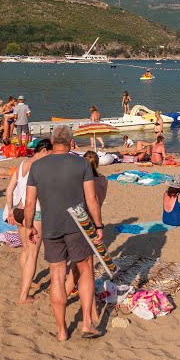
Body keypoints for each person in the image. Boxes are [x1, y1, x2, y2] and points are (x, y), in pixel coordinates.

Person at [23, 126, 104, 340]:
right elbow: (91, 199)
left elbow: (30, 202)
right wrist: (99, 225)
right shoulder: (82, 163)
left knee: (56, 276)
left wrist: (30, 225)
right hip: (78, 224)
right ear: (71, 141)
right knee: (85, 270)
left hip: (51, 226)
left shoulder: (37, 166)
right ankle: (86, 323)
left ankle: (61, 330)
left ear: (51, 140)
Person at [5, 139, 53, 304]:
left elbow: (9, 189)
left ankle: (28, 281)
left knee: (26, 250)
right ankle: (24, 296)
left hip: (18, 211)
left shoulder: (23, 164)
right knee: (33, 254)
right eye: (51, 152)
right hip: (32, 213)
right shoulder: (40, 167)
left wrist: (10, 210)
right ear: (45, 150)